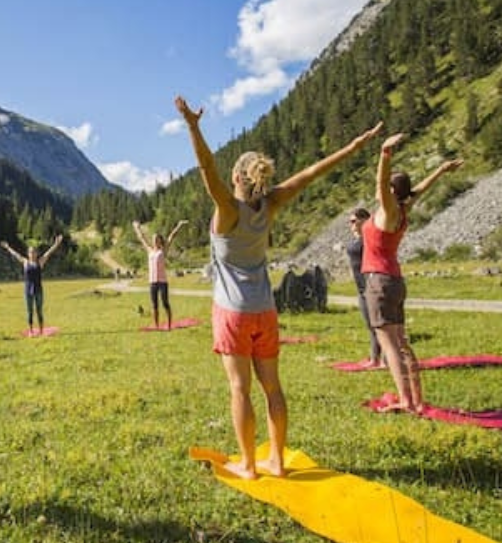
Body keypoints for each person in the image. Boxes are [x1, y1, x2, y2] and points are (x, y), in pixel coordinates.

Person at [176, 95, 381, 479]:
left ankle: (249, 466)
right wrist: (353, 147)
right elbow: (311, 173)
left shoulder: (227, 209)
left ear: (237, 178)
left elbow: (206, 169)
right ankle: (278, 463)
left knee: (240, 389)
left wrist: (192, 126)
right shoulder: (269, 206)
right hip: (266, 311)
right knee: (272, 388)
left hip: (232, 312)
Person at [362, 134, 462, 414]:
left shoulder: (389, 209)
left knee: (388, 343)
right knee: (401, 341)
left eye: (388, 186)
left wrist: (385, 153)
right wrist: (441, 170)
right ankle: (415, 398)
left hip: (379, 281)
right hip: (395, 281)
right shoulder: (404, 208)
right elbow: (420, 189)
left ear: (393, 191)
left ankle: (406, 401)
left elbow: (380, 183)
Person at [0, 235, 63, 335]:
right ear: (28, 254)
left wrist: (56, 243)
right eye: (30, 252)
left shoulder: (40, 262)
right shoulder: (25, 262)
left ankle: (41, 330)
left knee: (39, 311)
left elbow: (49, 252)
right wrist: (8, 247)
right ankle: (31, 330)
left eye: (34, 252)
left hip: (38, 290)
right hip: (28, 290)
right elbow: (16, 255)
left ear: (37, 253)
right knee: (29, 311)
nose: (32, 254)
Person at [132, 219, 187, 329]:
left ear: (160, 241)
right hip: (152, 282)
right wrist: (137, 227)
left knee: (165, 303)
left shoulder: (163, 250)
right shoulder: (149, 250)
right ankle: (156, 326)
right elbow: (141, 238)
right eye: (153, 239)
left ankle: (169, 324)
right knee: (154, 305)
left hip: (162, 282)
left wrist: (179, 225)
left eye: (157, 239)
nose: (154, 241)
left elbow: (172, 236)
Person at [345, 207, 381, 368]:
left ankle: (380, 359)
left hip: (371, 285)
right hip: (361, 287)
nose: (351, 225)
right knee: (370, 325)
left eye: (354, 221)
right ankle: (375, 358)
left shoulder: (369, 238)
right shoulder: (358, 239)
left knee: (378, 325)